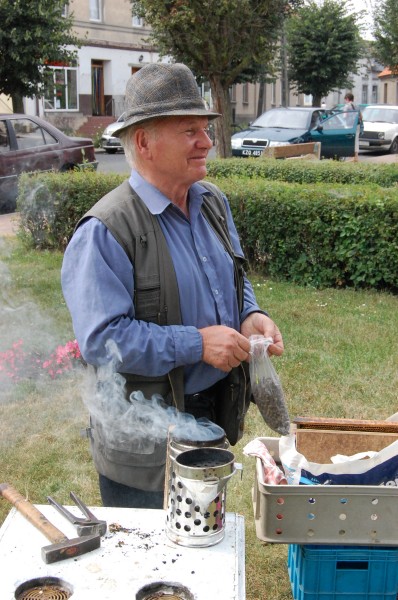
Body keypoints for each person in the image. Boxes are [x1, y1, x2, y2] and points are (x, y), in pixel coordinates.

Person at [61, 62, 284, 509]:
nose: (206, 142)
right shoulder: (107, 230)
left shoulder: (212, 203)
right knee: (150, 567)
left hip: (210, 414)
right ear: (144, 141)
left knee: (202, 548)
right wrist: (196, 344)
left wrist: (249, 312)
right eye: (190, 131)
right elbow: (103, 342)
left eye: (205, 129)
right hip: (143, 437)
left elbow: (235, 279)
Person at [343, 92, 360, 160]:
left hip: (349, 125)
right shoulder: (357, 106)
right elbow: (361, 116)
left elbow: (344, 116)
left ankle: (350, 157)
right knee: (356, 140)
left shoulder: (347, 106)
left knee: (349, 140)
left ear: (347, 99)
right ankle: (356, 156)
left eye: (345, 99)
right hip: (357, 125)